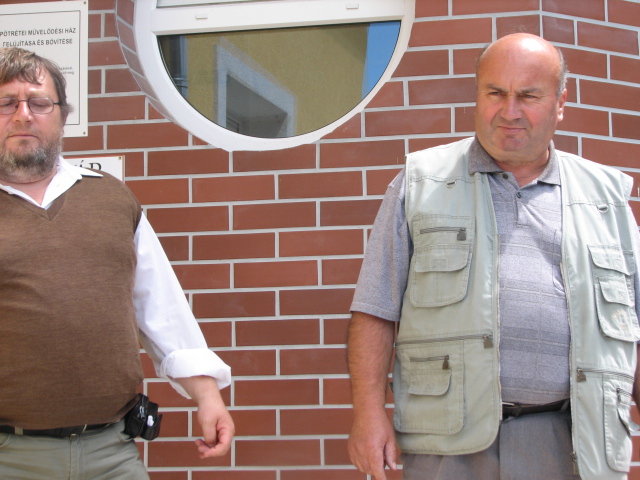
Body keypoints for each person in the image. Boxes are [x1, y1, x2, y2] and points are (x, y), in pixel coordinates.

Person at [347, 33, 640, 480]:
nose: (509, 111)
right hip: (449, 446)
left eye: (528, 96)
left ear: (560, 103)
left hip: (573, 444)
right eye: (495, 93)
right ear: (477, 95)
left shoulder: (607, 198)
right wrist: (368, 414)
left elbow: (633, 320)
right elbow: (375, 309)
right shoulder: (420, 183)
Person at [0, 47, 234, 479]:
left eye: (39, 102)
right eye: (6, 103)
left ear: (62, 115)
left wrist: (207, 395)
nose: (23, 115)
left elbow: (159, 305)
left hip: (112, 453)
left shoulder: (111, 198)